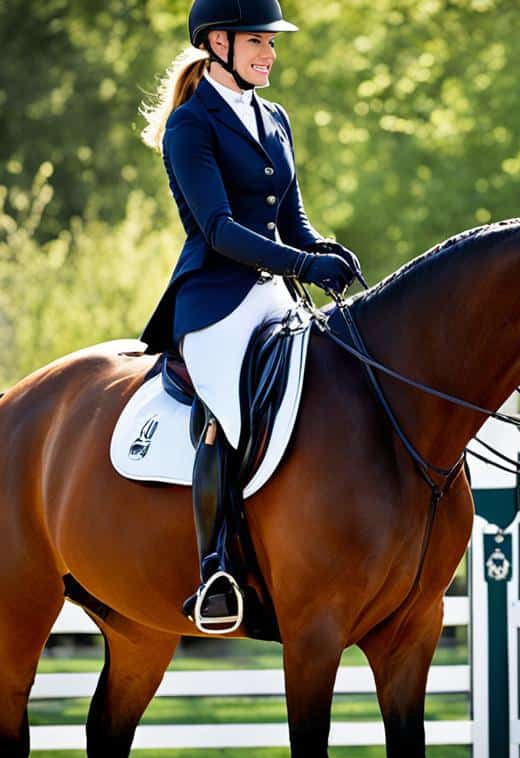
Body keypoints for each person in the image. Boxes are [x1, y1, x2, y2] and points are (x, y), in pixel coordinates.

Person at [138, 0, 359, 632]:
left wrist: (321, 250)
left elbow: (293, 219)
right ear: (218, 43)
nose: (270, 53)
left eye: (272, 42)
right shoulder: (190, 126)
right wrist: (299, 263)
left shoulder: (274, 117)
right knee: (227, 414)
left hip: (274, 293)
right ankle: (215, 569)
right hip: (214, 302)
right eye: (258, 41)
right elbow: (218, 228)